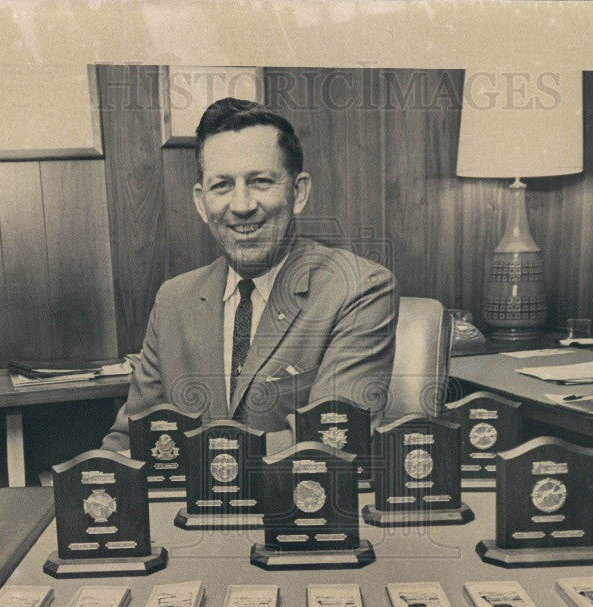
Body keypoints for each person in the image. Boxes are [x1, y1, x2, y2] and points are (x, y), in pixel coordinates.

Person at [102, 98, 398, 451]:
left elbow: (335, 440)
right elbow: (131, 438)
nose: (241, 206)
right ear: (201, 202)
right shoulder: (173, 299)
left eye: (260, 181)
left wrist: (192, 455)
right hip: (188, 507)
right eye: (222, 186)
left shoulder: (359, 288)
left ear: (298, 193)